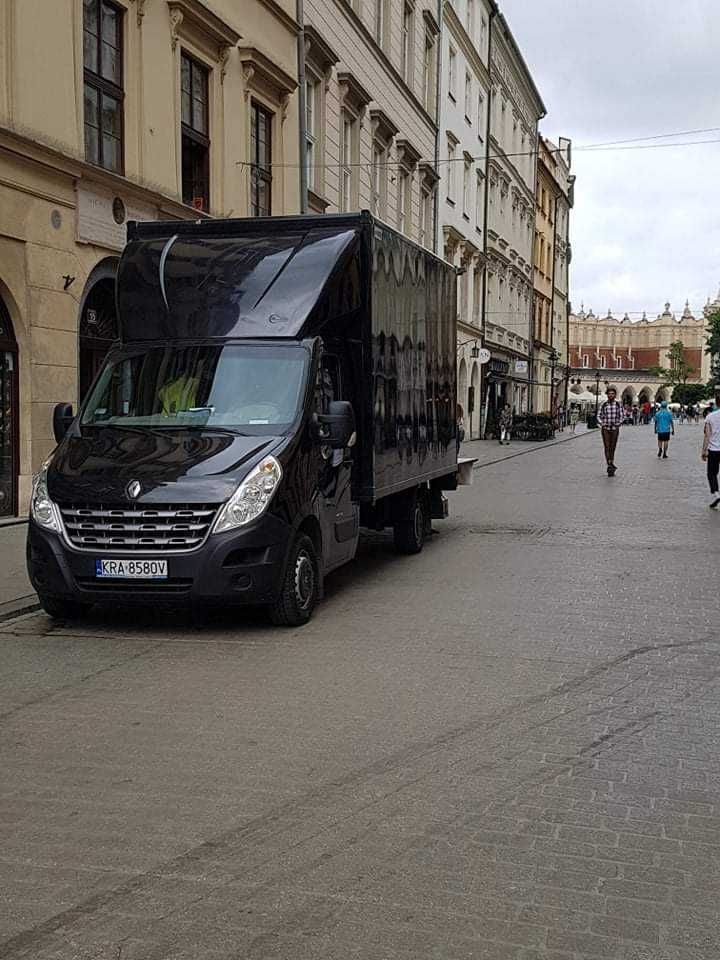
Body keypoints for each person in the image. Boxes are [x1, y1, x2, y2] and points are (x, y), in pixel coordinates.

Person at [598, 386, 623, 476]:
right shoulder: (603, 404)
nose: (611, 395)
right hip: (606, 429)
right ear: (607, 395)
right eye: (609, 394)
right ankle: (609, 464)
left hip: (614, 428)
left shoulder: (618, 404)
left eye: (612, 394)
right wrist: (602, 423)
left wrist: (618, 424)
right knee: (607, 447)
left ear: (615, 395)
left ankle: (611, 463)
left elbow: (621, 416)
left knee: (613, 447)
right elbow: (598, 415)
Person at [702, 390, 720, 509]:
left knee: (711, 473)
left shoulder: (710, 416)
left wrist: (704, 450)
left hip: (714, 449)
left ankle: (716, 494)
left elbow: (707, 435)